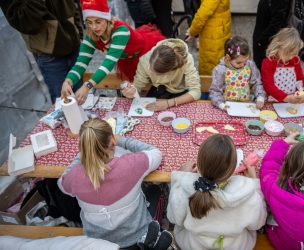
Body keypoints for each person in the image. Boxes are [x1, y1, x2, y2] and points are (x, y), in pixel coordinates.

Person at [57, 118, 163, 248]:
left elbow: (62, 183)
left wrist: (84, 154)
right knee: (156, 190)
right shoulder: (131, 164)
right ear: (112, 140)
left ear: (83, 146)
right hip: (136, 235)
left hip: (97, 242)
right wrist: (121, 140)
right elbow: (156, 153)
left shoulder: (74, 178)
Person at [167, 134, 267, 250]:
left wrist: (181, 176)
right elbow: (258, 224)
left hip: (194, 245)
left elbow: (173, 218)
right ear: (233, 169)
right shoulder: (249, 196)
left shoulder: (183, 190)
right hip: (236, 246)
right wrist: (255, 183)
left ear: (198, 165)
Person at [61, 0, 165, 105]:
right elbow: (80, 64)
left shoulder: (121, 31)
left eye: (98, 22)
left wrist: (87, 86)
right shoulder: (91, 36)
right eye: (89, 22)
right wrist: (68, 81)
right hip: (127, 61)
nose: (94, 27)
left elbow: (108, 63)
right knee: (136, 94)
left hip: (146, 55)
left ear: (107, 19)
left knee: (157, 87)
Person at [0, 0, 83, 104]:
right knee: (64, 104)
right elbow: (30, 24)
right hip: (49, 54)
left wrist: (78, 32)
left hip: (74, 45)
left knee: (82, 98)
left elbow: (71, 5)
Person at [124, 38, 201, 111]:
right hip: (158, 90)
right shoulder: (145, 60)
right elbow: (137, 85)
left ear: (170, 71)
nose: (150, 72)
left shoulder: (186, 60)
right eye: (150, 68)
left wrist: (168, 103)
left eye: (157, 74)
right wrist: (132, 91)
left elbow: (196, 92)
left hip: (180, 93)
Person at [209, 36, 266, 110]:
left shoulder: (250, 65)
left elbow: (257, 83)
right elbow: (215, 91)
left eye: (245, 61)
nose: (243, 65)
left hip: (245, 106)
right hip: (226, 106)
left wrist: (260, 97)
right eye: (239, 63)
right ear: (228, 58)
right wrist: (221, 104)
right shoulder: (221, 70)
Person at [261, 27, 304, 103]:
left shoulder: (295, 61)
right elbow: (268, 86)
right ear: (278, 47)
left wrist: (303, 93)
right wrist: (286, 98)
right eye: (287, 53)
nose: (291, 57)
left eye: (294, 54)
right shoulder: (268, 63)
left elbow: (300, 79)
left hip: (291, 101)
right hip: (272, 101)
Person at [185, 0, 231, 75]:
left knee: (210, 65)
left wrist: (192, 31)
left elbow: (202, 14)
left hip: (213, 34)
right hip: (220, 29)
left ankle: (209, 84)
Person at [252, 0, 291, 69]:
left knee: (263, 68)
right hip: (264, 38)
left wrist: (262, 40)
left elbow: (276, 23)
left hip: (267, 42)